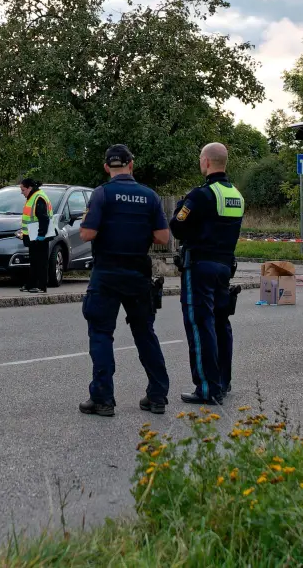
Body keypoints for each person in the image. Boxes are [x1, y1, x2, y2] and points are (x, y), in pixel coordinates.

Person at [78, 144, 171, 417]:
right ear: (131, 164)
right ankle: (157, 396)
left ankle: (103, 399)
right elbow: (164, 238)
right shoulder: (149, 196)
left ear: (107, 167)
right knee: (145, 334)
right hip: (138, 274)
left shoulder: (101, 195)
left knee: (101, 335)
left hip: (107, 273)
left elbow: (86, 234)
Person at [169, 142, 246, 405]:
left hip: (199, 268)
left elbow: (177, 227)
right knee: (220, 323)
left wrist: (180, 204)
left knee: (200, 325)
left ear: (206, 162)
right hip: (224, 268)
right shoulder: (236, 195)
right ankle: (223, 382)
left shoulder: (201, 195)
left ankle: (207, 388)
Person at [19, 177, 54, 294]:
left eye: (23, 190)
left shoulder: (38, 197)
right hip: (33, 235)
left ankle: (41, 286)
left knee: (41, 261)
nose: (22, 192)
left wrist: (41, 235)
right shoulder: (33, 196)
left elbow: (44, 218)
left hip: (39, 236)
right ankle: (32, 284)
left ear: (29, 188)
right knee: (34, 261)